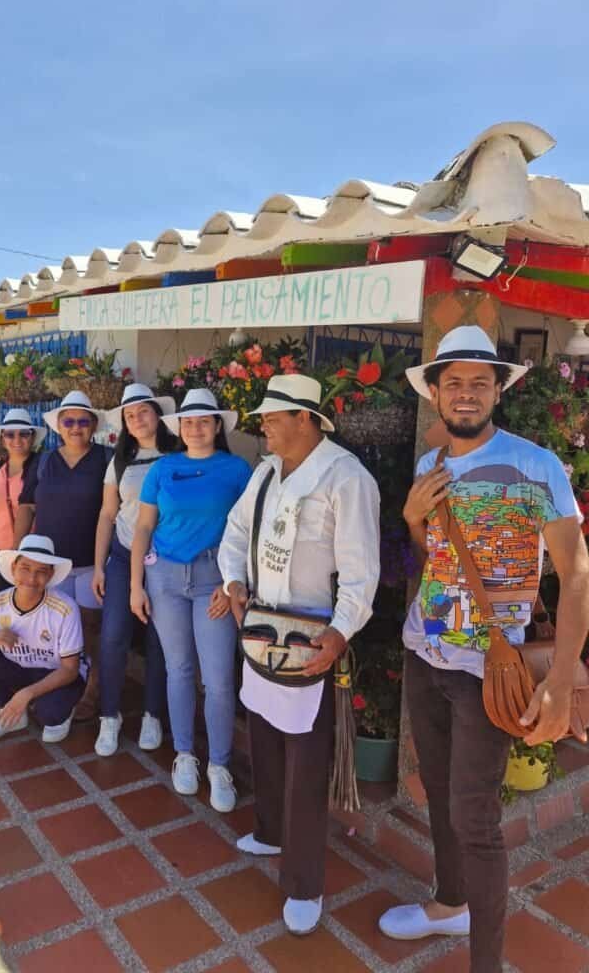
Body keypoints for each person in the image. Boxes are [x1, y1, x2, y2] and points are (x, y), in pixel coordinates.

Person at [378, 326, 589, 973]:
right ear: (436, 394)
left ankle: (486, 962)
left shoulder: (536, 465)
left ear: (498, 390)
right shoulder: (430, 465)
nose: (465, 394)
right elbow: (432, 559)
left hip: (486, 668)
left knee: (476, 820)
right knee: (438, 791)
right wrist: (414, 518)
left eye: (479, 382)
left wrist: (559, 673)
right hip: (426, 649)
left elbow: (576, 573)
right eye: (454, 383)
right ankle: (448, 903)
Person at [219, 373, 380, 935]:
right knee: (262, 735)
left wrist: (340, 632)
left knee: (307, 761)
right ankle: (268, 830)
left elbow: (362, 570)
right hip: (261, 629)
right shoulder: (265, 473)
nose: (262, 424)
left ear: (306, 419)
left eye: (272, 415)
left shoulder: (346, 478)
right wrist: (233, 582)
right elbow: (237, 532)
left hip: (310, 639)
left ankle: (305, 882)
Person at [131, 387, 252, 812]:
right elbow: (143, 528)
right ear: (178, 428)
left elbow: (247, 534)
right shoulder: (163, 468)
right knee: (178, 669)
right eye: (188, 421)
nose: (195, 428)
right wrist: (135, 586)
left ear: (218, 426)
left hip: (213, 579)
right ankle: (185, 754)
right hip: (163, 576)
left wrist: (232, 582)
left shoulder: (237, 469)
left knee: (218, 678)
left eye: (204, 421)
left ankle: (219, 765)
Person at [14, 389, 110, 722]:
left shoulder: (107, 459)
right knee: (53, 632)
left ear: (93, 425)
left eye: (83, 421)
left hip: (89, 565)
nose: (75, 427)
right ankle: (58, 687)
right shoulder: (42, 462)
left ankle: (92, 692)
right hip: (49, 568)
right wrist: (18, 553)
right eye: (68, 420)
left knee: (91, 632)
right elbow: (26, 506)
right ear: (58, 426)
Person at [92, 384, 177, 756]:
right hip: (124, 557)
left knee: (160, 640)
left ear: (157, 415)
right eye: (130, 415)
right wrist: (98, 567)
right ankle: (109, 717)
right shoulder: (120, 459)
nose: (137, 419)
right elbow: (108, 514)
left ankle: (152, 715)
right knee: (113, 637)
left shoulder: (178, 454)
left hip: (169, 560)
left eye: (143, 411)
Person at [0, 534, 88, 744]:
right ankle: (11, 713)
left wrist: (26, 694)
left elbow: (69, 669)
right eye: (25, 568)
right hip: (19, 667)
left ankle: (55, 709)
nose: (32, 579)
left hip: (57, 673)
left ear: (50, 576)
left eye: (41, 571)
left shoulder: (65, 608)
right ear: (13, 569)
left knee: (49, 716)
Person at [0, 408, 46, 591]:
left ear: (32, 438)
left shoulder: (42, 467)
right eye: (10, 434)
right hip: (1, 552)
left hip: (34, 554)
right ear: (2, 438)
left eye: (24, 434)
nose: (17, 439)